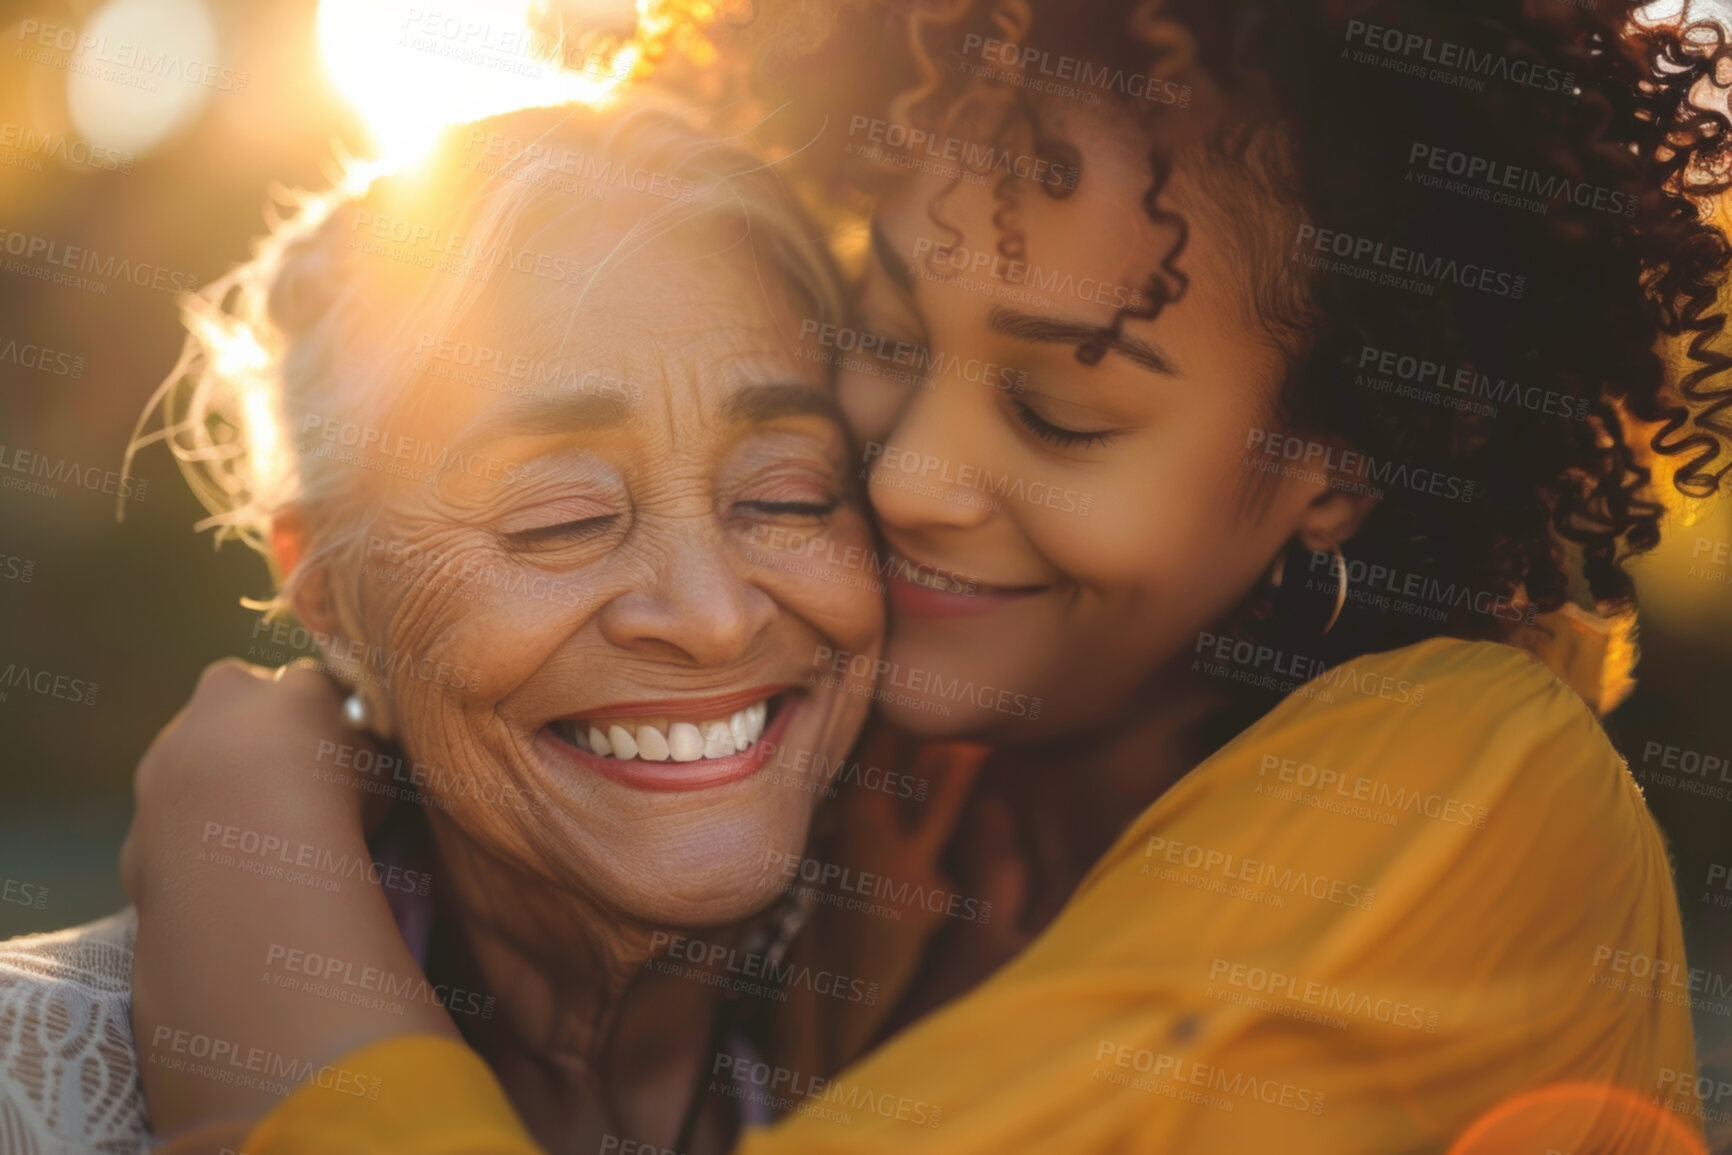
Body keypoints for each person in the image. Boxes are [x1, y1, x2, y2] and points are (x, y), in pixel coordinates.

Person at [126, 0, 1732, 1151]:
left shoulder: (1472, 800)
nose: (903, 476)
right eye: (886, 334)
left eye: (1059, 408)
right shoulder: (885, 775)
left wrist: (255, 869)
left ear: (1341, 466)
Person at [0, 92, 891, 1155]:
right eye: (562, 518)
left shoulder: (1011, 1053)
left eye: (787, 495)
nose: (711, 617)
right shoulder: (36, 1082)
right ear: (329, 598)